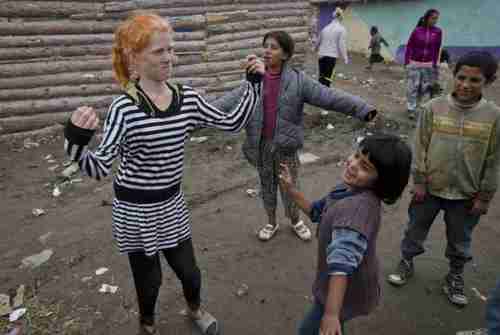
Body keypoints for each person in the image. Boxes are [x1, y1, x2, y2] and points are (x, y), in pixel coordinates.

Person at [63, 12, 262, 335]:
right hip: (135, 211)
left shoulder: (187, 99)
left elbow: (232, 123)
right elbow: (98, 167)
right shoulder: (124, 108)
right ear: (134, 58)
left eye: (171, 49)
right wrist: (75, 141)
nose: (170, 57)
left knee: (190, 272)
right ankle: (147, 324)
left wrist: (253, 84)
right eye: (159, 51)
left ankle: (195, 310)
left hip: (172, 204)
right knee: (149, 280)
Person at [213, 30, 377, 242]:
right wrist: (189, 117)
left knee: (289, 186)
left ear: (285, 54)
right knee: (267, 187)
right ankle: (271, 222)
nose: (267, 51)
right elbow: (225, 103)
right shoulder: (253, 82)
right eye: (265, 46)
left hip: (286, 148)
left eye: (273, 47)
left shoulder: (299, 82)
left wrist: (362, 108)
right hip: (261, 146)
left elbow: (329, 97)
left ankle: (295, 220)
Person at [387, 52, 500, 308]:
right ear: (453, 75)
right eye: (461, 77)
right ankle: (406, 261)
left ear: (488, 82)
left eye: (475, 80)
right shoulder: (432, 108)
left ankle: (455, 274)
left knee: (460, 239)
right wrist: (419, 181)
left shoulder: (494, 116)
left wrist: (484, 196)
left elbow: (493, 161)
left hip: (466, 194)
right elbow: (420, 147)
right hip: (429, 189)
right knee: (415, 228)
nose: (465, 85)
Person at [278, 134, 412, 335]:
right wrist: (290, 189)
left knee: (309, 331)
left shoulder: (356, 211)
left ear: (382, 181)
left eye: (365, 167)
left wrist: (331, 314)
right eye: (357, 155)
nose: (353, 164)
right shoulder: (346, 189)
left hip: (346, 290)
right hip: (340, 287)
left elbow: (341, 265)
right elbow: (316, 212)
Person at [404, 9, 442, 119]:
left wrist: (434, 63)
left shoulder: (438, 32)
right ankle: (411, 108)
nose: (435, 21)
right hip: (414, 63)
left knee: (424, 88)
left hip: (428, 64)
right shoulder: (417, 31)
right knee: (412, 87)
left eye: (436, 19)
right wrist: (407, 62)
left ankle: (418, 106)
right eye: (433, 18)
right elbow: (409, 46)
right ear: (426, 18)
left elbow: (436, 48)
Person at [316, 7, 349, 87]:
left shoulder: (325, 28)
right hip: (331, 56)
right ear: (341, 18)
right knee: (327, 78)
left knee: (321, 77)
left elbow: (318, 41)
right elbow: (342, 45)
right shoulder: (341, 29)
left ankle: (319, 94)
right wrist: (345, 57)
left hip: (321, 55)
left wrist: (315, 48)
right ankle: (325, 96)